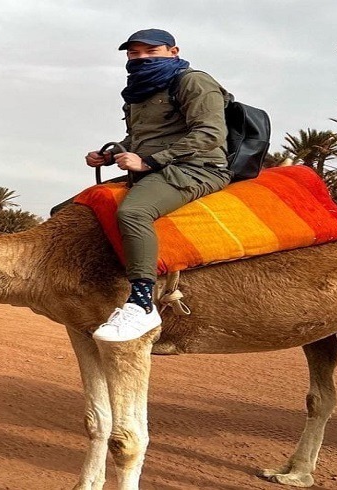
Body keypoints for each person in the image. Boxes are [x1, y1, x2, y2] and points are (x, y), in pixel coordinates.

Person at [85, 28, 232, 342]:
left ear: (173, 52)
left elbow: (210, 134)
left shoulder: (193, 81)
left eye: (151, 52)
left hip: (197, 168)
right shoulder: (139, 91)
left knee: (133, 212)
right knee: (76, 209)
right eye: (134, 53)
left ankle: (142, 302)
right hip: (153, 169)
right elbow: (138, 139)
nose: (141, 58)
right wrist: (109, 156)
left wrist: (149, 162)